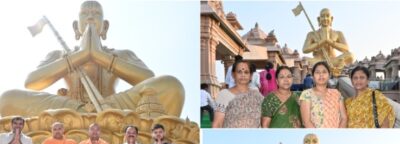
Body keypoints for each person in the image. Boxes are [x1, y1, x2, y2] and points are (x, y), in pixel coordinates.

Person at [0, 1, 184, 118]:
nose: (90, 16)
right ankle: (92, 119)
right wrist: (80, 55)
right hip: (68, 108)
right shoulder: (59, 55)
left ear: (105, 27)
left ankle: (95, 119)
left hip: (114, 106)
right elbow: (31, 83)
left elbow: (149, 80)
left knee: (171, 85)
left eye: (96, 14)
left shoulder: (122, 53)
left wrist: (100, 56)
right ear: (75, 26)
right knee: (7, 99)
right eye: (84, 13)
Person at [213, 60, 263, 128]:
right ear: (233, 75)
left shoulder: (257, 96)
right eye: (239, 72)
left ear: (251, 76)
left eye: (246, 72)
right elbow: (217, 123)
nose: (243, 75)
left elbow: (264, 120)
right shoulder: (224, 95)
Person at [302, 8, 354, 74]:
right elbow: (305, 49)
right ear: (319, 19)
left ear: (331, 19)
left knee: (350, 55)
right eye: (323, 16)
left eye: (327, 16)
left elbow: (346, 48)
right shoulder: (311, 34)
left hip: (333, 61)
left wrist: (329, 41)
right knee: (303, 60)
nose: (325, 18)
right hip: (317, 61)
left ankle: (333, 69)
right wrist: (322, 42)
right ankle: (328, 68)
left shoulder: (338, 33)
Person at [300, 61, 347, 128]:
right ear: (313, 76)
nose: (321, 75)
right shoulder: (306, 94)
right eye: (317, 72)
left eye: (324, 72)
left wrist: (337, 135)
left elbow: (344, 118)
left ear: (329, 75)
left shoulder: (336, 93)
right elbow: (306, 121)